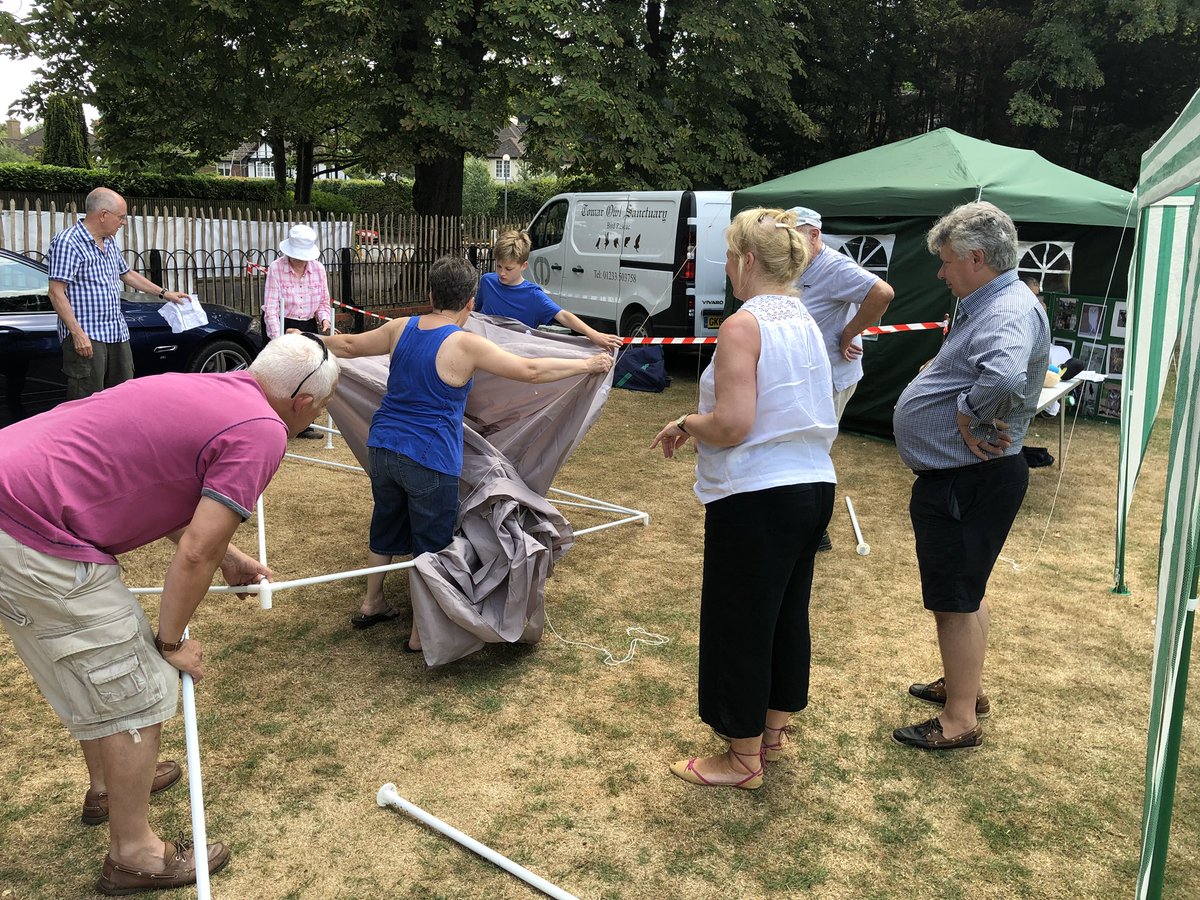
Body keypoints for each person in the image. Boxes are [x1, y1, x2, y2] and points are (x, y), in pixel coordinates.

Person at [0, 333, 337, 895]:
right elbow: (195, 550)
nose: (319, 416)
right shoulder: (265, 432)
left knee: (91, 664)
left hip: (13, 492)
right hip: (33, 529)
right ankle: (133, 854)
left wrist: (229, 558)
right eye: (323, 408)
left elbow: (167, 491)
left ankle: (109, 786)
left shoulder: (212, 389)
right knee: (138, 685)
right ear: (303, 403)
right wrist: (169, 639)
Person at [314, 256, 614, 652]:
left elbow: (349, 344)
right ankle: (422, 632)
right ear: (471, 303)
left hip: (383, 446)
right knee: (432, 542)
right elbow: (529, 371)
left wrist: (303, 340)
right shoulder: (467, 343)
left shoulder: (401, 327)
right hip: (429, 456)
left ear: (430, 294)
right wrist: (586, 363)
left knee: (386, 520)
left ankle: (373, 602)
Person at [650, 208, 836, 789]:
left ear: (748, 262)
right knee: (784, 613)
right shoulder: (805, 318)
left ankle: (741, 757)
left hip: (760, 494)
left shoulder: (743, 325)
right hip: (812, 484)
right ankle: (772, 731)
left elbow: (732, 423)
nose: (728, 268)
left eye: (730, 257)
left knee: (741, 619)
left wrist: (686, 418)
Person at [892, 201, 1049, 751]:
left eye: (946, 261)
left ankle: (959, 720)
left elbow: (1004, 373)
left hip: (967, 478)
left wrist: (965, 410)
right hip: (972, 477)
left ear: (976, 258)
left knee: (955, 600)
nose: (940, 272)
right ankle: (967, 687)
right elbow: (986, 364)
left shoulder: (1005, 307)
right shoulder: (995, 300)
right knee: (967, 589)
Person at [791, 206, 894, 550]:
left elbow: (882, 293)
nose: (787, 241)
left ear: (814, 235)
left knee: (814, 452)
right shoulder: (798, 263)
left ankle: (816, 531)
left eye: (793, 235)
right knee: (800, 449)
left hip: (832, 375)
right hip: (808, 374)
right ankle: (805, 523)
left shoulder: (834, 266)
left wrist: (848, 333)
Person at [47, 187, 188, 400]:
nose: (123, 222)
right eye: (121, 217)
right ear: (103, 215)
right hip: (88, 336)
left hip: (115, 332)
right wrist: (77, 334)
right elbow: (56, 292)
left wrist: (165, 293)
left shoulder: (109, 241)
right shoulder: (68, 242)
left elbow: (126, 274)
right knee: (87, 400)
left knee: (122, 396)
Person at [477, 230, 623, 351]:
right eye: (499, 266)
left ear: (524, 265)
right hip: (482, 353)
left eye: (509, 268)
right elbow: (475, 315)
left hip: (514, 357)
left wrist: (593, 334)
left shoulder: (533, 295)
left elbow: (563, 316)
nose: (502, 273)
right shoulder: (487, 281)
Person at [262, 224, 333, 438]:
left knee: (308, 376)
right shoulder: (276, 268)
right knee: (279, 377)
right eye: (296, 256)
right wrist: (279, 339)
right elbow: (271, 308)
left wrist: (325, 320)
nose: (299, 260)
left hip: (307, 325)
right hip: (282, 323)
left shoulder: (318, 269)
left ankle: (302, 424)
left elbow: (323, 301)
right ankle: (274, 422)